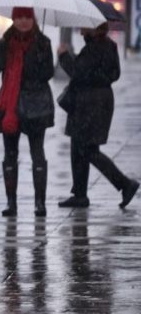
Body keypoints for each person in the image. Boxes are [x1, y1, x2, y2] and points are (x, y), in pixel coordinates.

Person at [56, 23, 139, 208]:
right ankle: (80, 195)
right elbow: (112, 73)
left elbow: (77, 72)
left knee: (87, 150)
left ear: (93, 27)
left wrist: (63, 55)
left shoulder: (95, 47)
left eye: (84, 25)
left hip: (89, 103)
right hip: (98, 101)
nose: (80, 28)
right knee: (79, 147)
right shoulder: (107, 45)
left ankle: (125, 184)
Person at [0, 7, 54, 217]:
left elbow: (47, 73)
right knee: (10, 154)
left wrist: (35, 54)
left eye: (27, 17)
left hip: (36, 105)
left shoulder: (43, 43)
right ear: (13, 19)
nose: (23, 21)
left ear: (33, 19)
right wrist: (2, 48)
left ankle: (40, 203)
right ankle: (11, 202)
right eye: (19, 17)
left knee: (37, 153)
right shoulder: (6, 42)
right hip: (10, 106)